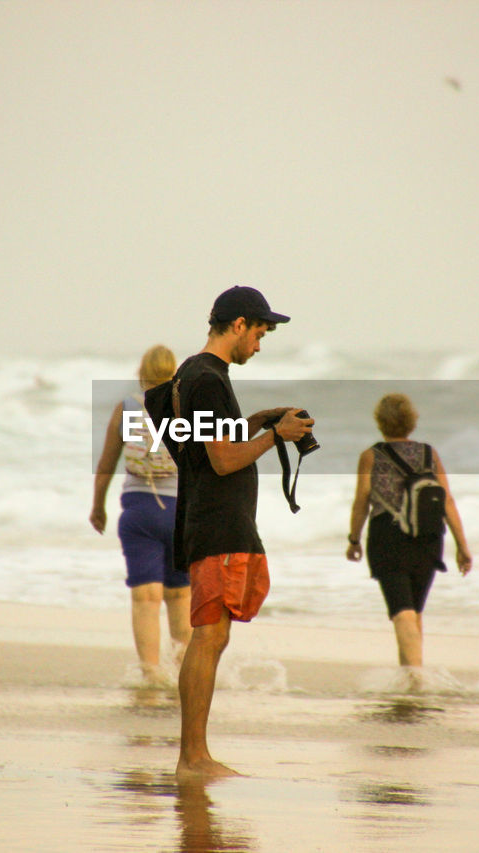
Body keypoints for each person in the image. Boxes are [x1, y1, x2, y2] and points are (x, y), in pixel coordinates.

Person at [158, 286, 312, 780]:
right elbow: (222, 460)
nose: (260, 346)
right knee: (208, 637)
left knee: (213, 636)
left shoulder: (196, 375)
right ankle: (193, 759)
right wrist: (274, 436)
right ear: (239, 324)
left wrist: (260, 422)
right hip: (217, 522)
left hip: (212, 519)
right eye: (260, 333)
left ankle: (194, 756)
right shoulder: (206, 379)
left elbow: (209, 445)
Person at [346, 393, 472, 677]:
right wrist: (461, 545)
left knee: (402, 610)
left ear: (380, 422)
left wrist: (354, 540)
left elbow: (362, 501)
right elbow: (447, 501)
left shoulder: (371, 456)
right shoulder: (429, 453)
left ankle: (415, 681)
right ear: (412, 422)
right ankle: (411, 674)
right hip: (429, 537)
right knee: (413, 612)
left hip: (388, 537)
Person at [90, 345, 192, 685]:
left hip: (140, 510)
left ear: (141, 372)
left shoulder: (128, 408)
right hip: (181, 512)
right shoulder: (188, 411)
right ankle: (183, 674)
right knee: (179, 596)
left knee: (145, 598)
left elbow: (106, 464)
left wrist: (98, 506)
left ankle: (151, 674)